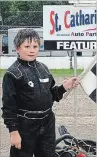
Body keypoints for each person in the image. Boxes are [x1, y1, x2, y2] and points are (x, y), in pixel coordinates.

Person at [1, 28, 79, 157]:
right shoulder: (12, 74)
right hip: (25, 126)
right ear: (17, 48)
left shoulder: (43, 69)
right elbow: (9, 107)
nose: (32, 50)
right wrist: (13, 132)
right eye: (27, 46)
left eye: (35, 46)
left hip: (47, 123)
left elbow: (51, 95)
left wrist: (64, 86)